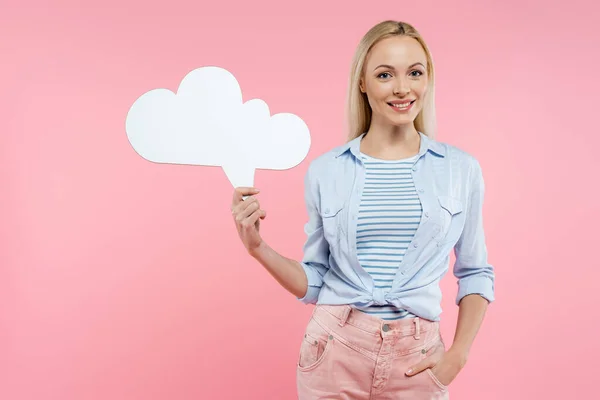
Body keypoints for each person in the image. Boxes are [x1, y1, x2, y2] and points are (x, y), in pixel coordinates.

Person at [230, 20, 495, 400]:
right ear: (363, 82)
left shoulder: (460, 169)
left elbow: (475, 272)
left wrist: (458, 355)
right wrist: (258, 248)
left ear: (427, 80)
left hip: (418, 358)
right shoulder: (327, 170)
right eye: (385, 74)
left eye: (415, 73)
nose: (402, 88)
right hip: (334, 351)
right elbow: (316, 280)